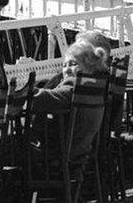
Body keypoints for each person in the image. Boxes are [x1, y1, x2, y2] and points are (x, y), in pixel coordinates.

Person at [30, 40, 109, 169]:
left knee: (12, 145)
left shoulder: (74, 84)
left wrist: (27, 93)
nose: (66, 69)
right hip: (81, 147)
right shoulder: (93, 86)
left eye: (73, 64)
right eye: (64, 65)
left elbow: (50, 98)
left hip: (62, 150)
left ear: (88, 67)